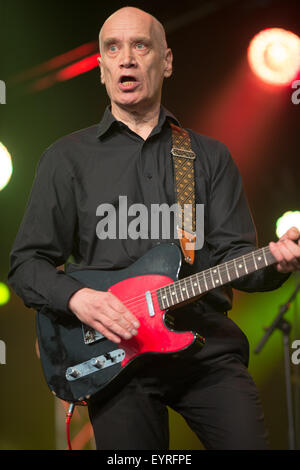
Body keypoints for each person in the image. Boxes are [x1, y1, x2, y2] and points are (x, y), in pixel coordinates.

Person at [8, 7, 300, 450]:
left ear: (166, 61)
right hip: (115, 355)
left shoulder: (208, 156)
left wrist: (277, 260)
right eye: (113, 49)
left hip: (204, 349)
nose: (126, 58)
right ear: (102, 68)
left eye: (140, 45)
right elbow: (26, 265)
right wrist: (78, 298)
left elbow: (239, 262)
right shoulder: (66, 160)